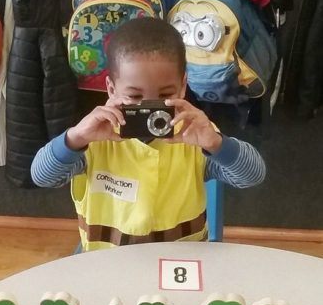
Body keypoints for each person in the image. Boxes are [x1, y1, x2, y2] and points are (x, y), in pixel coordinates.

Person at [31, 18, 266, 251]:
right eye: (134, 97)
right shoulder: (93, 140)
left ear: (183, 86)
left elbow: (252, 176)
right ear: (111, 89)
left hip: (180, 270)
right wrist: (75, 139)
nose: (150, 108)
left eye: (165, 94)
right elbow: (42, 176)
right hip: (108, 270)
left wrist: (216, 144)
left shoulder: (194, 136)